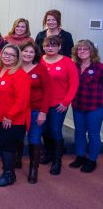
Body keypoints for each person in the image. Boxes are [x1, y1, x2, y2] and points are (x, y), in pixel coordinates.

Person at [0, 44, 31, 187]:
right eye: (5, 53)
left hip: (12, 120)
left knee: (8, 147)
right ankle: (6, 172)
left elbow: (22, 101)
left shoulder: (20, 75)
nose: (7, 56)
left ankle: (9, 176)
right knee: (3, 145)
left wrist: (9, 116)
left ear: (17, 58)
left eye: (12, 55)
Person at [39, 35, 79, 175]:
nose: (50, 48)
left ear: (59, 47)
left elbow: (74, 84)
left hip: (58, 104)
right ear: (43, 46)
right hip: (41, 104)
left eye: (53, 45)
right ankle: (48, 154)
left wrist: (66, 102)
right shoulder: (39, 61)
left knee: (55, 130)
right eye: (47, 45)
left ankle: (57, 161)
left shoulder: (67, 62)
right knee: (43, 129)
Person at [19, 40, 50, 183]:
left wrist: (43, 112)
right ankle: (16, 161)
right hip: (18, 111)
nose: (28, 54)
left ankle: (33, 169)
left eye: (31, 52)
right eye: (25, 51)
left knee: (34, 138)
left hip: (36, 111)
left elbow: (48, 91)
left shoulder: (40, 69)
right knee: (18, 137)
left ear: (35, 54)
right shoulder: (15, 67)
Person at [69, 40, 102, 173]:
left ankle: (92, 160)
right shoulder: (73, 66)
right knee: (79, 132)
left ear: (92, 51)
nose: (82, 51)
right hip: (78, 105)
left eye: (85, 49)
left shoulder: (99, 67)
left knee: (93, 134)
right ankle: (80, 156)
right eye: (79, 49)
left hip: (95, 106)